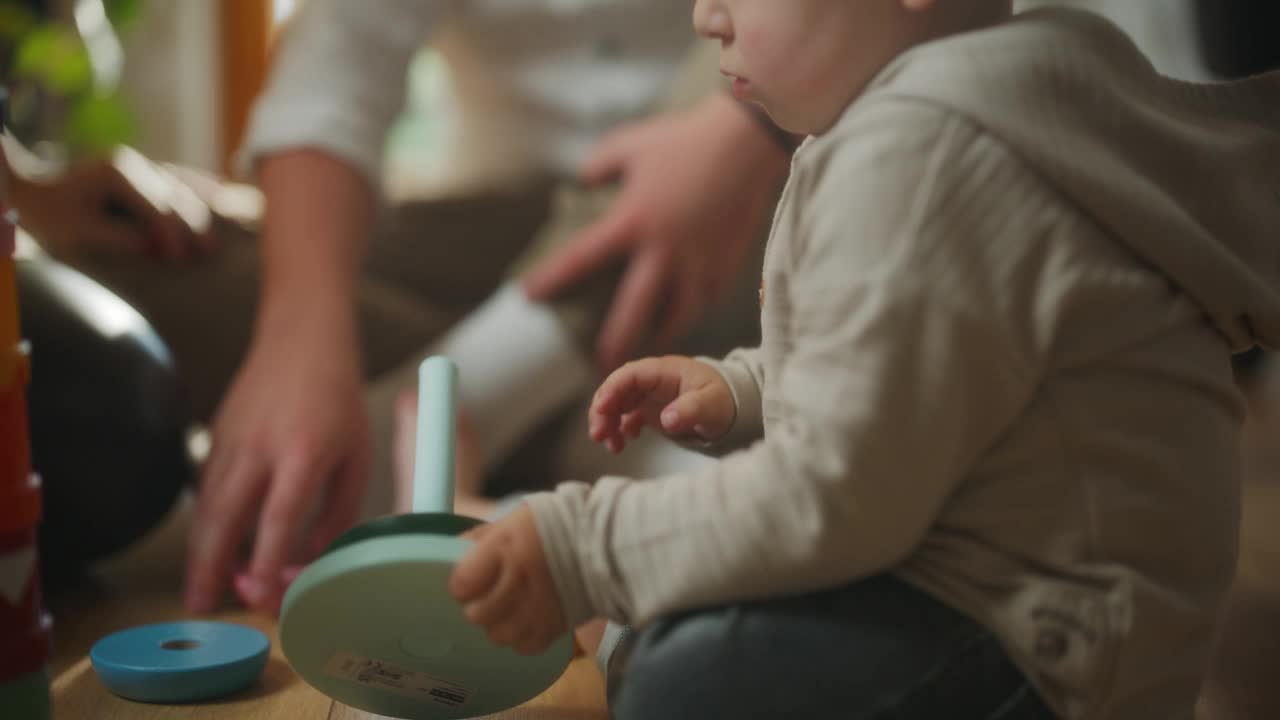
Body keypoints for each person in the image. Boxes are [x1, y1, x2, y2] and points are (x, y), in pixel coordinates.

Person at [448, 1, 1280, 718]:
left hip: (1043, 647)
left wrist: (583, 552)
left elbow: (834, 498)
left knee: (691, 685)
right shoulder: (963, 104)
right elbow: (931, 361)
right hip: (1006, 591)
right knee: (697, 608)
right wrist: (745, 384)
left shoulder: (925, 150)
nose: (705, 16)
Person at [22, 1, 791, 615]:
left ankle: (430, 434)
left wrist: (747, 126)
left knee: (775, 47)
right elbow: (334, 67)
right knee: (124, 252)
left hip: (745, 221)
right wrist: (298, 337)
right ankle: (558, 428)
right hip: (483, 251)